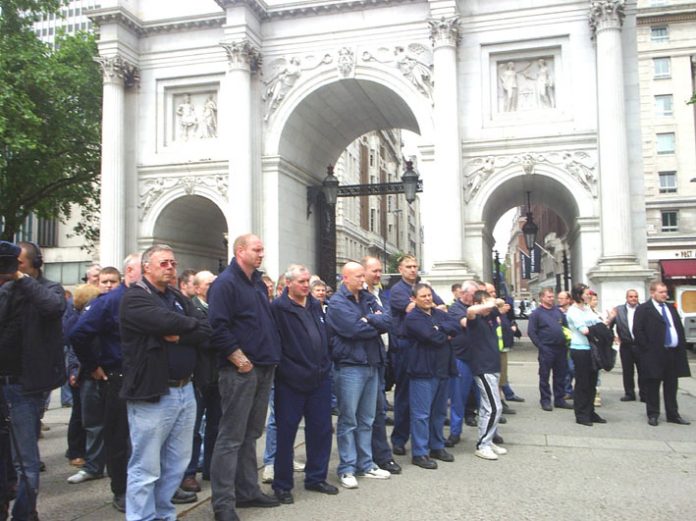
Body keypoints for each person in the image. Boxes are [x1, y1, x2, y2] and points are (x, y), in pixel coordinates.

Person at [119, 245, 211, 521]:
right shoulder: (135, 297)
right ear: (146, 267)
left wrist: (180, 334)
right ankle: (141, 517)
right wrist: (186, 324)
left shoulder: (177, 297)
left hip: (185, 391)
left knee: (176, 464)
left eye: (173, 263)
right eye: (163, 263)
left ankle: (163, 514)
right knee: (146, 466)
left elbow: (206, 328)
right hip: (153, 394)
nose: (170, 267)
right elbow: (160, 321)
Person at [208, 234, 282, 521]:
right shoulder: (225, 283)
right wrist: (239, 359)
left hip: (263, 367)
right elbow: (217, 327)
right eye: (257, 249)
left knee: (251, 434)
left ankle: (248, 490)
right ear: (240, 251)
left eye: (262, 248)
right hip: (241, 370)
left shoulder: (257, 283)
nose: (262, 253)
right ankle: (223, 504)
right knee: (230, 438)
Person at [68, 258, 145, 513]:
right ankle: (121, 489)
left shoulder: (149, 298)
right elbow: (78, 334)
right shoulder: (109, 301)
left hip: (147, 376)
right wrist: (92, 365)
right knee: (119, 436)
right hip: (119, 376)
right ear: (131, 271)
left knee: (146, 438)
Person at [0, 241, 66, 521]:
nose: (13, 269)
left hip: (23, 387)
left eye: (19, 264)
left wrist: (21, 280)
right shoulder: (4, 291)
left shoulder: (48, 289)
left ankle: (25, 515)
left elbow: (53, 308)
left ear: (34, 264)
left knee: (25, 459)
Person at [271, 265, 337, 504]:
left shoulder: (314, 304)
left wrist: (325, 362)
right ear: (288, 283)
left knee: (321, 430)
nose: (305, 285)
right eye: (301, 281)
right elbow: (276, 344)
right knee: (286, 434)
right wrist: (290, 370)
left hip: (320, 379)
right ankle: (282, 485)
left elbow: (325, 335)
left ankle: (316, 477)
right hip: (291, 382)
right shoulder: (278, 308)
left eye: (307, 281)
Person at [327, 262, 391, 489]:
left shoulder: (368, 296)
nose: (363, 280)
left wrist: (369, 319)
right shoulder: (336, 303)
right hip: (350, 366)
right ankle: (346, 468)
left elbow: (387, 320)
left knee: (367, 419)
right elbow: (353, 330)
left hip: (372, 362)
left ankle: (366, 464)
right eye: (358, 276)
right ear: (345, 277)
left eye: (364, 276)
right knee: (348, 420)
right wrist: (372, 321)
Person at [66, 267, 122, 487]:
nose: (108, 285)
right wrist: (80, 368)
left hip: (115, 374)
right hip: (91, 374)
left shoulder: (122, 305)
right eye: (104, 281)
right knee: (92, 423)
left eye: (113, 281)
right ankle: (93, 466)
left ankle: (117, 467)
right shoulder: (90, 308)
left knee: (118, 426)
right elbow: (74, 339)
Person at [389, 255, 445, 455]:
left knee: (429, 398)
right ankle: (399, 438)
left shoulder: (423, 287)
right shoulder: (397, 290)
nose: (413, 269)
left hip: (427, 348)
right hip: (405, 348)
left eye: (415, 266)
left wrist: (429, 306)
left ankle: (427, 440)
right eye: (408, 266)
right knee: (404, 395)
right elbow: (414, 308)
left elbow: (442, 306)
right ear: (401, 269)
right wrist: (429, 307)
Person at [404, 283, 460, 469]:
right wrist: (442, 332)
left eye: (429, 295)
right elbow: (431, 337)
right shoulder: (413, 318)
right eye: (423, 296)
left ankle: (437, 446)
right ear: (414, 299)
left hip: (442, 369)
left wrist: (440, 329)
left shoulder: (439, 314)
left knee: (439, 412)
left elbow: (455, 327)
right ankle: (420, 452)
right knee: (421, 414)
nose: (428, 299)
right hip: (423, 371)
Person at [361, 257, 401, 475]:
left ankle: (376, 455)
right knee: (371, 411)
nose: (378, 275)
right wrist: (377, 322)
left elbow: (388, 321)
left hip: (382, 356)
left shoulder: (381, 295)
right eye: (374, 271)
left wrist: (375, 321)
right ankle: (377, 456)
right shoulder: (357, 297)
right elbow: (356, 324)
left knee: (377, 410)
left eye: (380, 271)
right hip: (363, 358)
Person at [181, 270, 219, 493]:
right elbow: (205, 338)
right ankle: (188, 472)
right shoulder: (191, 308)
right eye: (208, 283)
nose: (213, 286)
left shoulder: (219, 305)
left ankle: (210, 467)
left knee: (215, 426)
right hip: (199, 377)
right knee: (193, 429)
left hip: (218, 377)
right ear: (197, 288)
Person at [633, 282, 691, 426]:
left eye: (665, 292)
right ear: (653, 293)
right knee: (653, 385)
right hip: (654, 354)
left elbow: (677, 327)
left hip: (672, 353)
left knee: (671, 385)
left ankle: (673, 414)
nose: (665, 294)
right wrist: (647, 349)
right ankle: (653, 414)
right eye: (661, 292)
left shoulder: (671, 308)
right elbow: (638, 331)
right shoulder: (644, 309)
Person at [466, 290, 508, 460]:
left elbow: (500, 302)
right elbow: (469, 312)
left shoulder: (490, 316)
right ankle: (482, 445)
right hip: (483, 368)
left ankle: (487, 440)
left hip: (493, 366)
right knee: (494, 407)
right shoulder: (475, 319)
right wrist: (486, 303)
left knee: (486, 408)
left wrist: (492, 301)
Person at [446, 280, 480, 448]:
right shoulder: (455, 309)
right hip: (461, 358)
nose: (476, 298)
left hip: (479, 358)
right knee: (458, 398)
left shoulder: (479, 306)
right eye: (474, 294)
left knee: (485, 399)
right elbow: (467, 323)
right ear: (464, 293)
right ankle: (455, 432)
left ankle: (490, 432)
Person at [565, 284, 605, 427]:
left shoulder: (588, 308)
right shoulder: (573, 311)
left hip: (591, 348)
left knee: (593, 382)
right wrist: (598, 327)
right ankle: (581, 414)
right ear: (579, 295)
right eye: (587, 293)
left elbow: (599, 322)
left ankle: (591, 411)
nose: (589, 296)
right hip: (580, 348)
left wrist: (601, 324)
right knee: (583, 382)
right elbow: (584, 330)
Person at [527, 287, 571, 411]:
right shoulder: (536, 314)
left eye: (552, 296)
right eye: (549, 297)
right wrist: (540, 346)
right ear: (542, 298)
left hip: (561, 348)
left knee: (560, 375)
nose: (552, 299)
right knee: (544, 375)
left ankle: (560, 399)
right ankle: (545, 400)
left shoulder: (558, 312)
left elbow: (565, 327)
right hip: (547, 348)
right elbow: (531, 332)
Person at [609, 289, 643, 402]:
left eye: (635, 296)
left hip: (640, 345)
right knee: (628, 371)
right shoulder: (619, 310)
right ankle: (629, 393)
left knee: (643, 370)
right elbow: (609, 325)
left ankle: (644, 393)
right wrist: (612, 337)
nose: (634, 298)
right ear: (626, 298)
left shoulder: (643, 309)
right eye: (631, 296)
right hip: (626, 344)